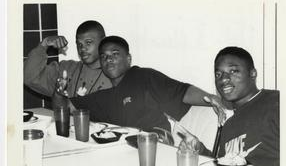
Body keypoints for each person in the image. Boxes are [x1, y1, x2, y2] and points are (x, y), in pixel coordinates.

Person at [68, 36, 226, 145]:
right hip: (124, 150)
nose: (109, 59)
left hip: (156, 142)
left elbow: (181, 91)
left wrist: (211, 97)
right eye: (104, 56)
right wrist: (59, 91)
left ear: (128, 59)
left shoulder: (143, 76)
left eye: (115, 54)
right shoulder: (106, 93)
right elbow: (71, 106)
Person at [182, 46, 280, 166]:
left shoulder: (276, 101)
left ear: (252, 74)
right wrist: (200, 150)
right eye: (218, 74)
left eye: (233, 71)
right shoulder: (228, 125)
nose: (223, 79)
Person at [24, 20, 112, 99]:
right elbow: (29, 77)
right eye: (79, 44)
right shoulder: (67, 70)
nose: (82, 48)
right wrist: (44, 44)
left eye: (88, 42)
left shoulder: (115, 75)